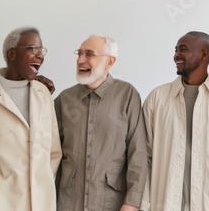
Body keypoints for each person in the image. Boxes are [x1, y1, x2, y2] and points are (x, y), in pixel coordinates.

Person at [142, 31, 209, 210]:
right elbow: (143, 157)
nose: (176, 55)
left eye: (183, 49)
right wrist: (143, 205)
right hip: (164, 203)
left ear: (204, 54)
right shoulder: (157, 99)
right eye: (176, 50)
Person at [55, 34, 148, 211]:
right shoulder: (64, 99)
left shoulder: (127, 95)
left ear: (110, 62)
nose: (81, 60)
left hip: (112, 202)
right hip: (68, 202)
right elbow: (50, 153)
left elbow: (138, 153)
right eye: (79, 53)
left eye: (89, 54)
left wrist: (132, 202)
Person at [0, 26, 62, 210]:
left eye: (42, 51)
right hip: (0, 203)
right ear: (11, 54)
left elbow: (54, 150)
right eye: (33, 49)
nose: (40, 55)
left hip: (42, 203)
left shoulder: (44, 93)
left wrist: (42, 182)